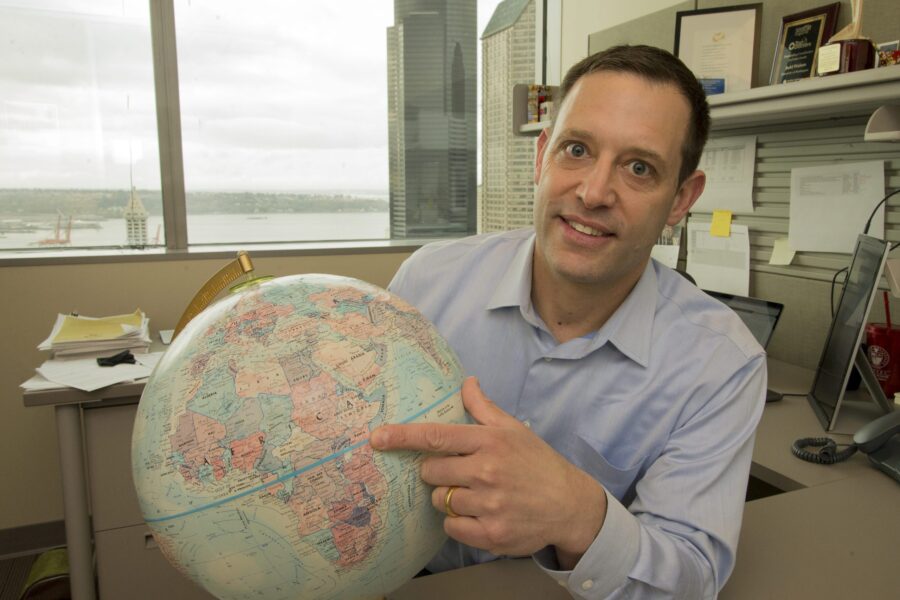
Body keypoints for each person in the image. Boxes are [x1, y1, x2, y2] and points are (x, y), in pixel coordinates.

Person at [371, 44, 767, 599]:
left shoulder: (722, 364)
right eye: (576, 150)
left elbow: (691, 576)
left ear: (681, 199)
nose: (593, 193)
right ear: (542, 158)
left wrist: (577, 512)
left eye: (638, 168)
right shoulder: (426, 284)